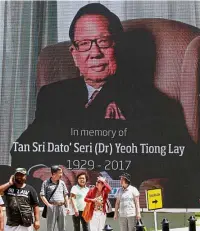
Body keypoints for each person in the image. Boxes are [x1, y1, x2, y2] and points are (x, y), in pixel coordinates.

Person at [10, 3, 199, 208]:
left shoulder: (156, 103)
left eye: (103, 41)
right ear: (74, 54)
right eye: (84, 44)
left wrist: (103, 177)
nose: (95, 52)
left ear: (119, 46)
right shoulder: (54, 95)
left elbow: (182, 164)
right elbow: (24, 148)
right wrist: (41, 170)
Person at [40, 165, 69, 231]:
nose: (61, 175)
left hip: (61, 207)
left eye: (62, 173)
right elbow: (42, 195)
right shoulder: (46, 183)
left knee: (62, 228)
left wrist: (67, 207)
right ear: (53, 173)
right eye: (60, 173)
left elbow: (66, 195)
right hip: (52, 207)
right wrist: (49, 205)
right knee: (50, 228)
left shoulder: (62, 183)